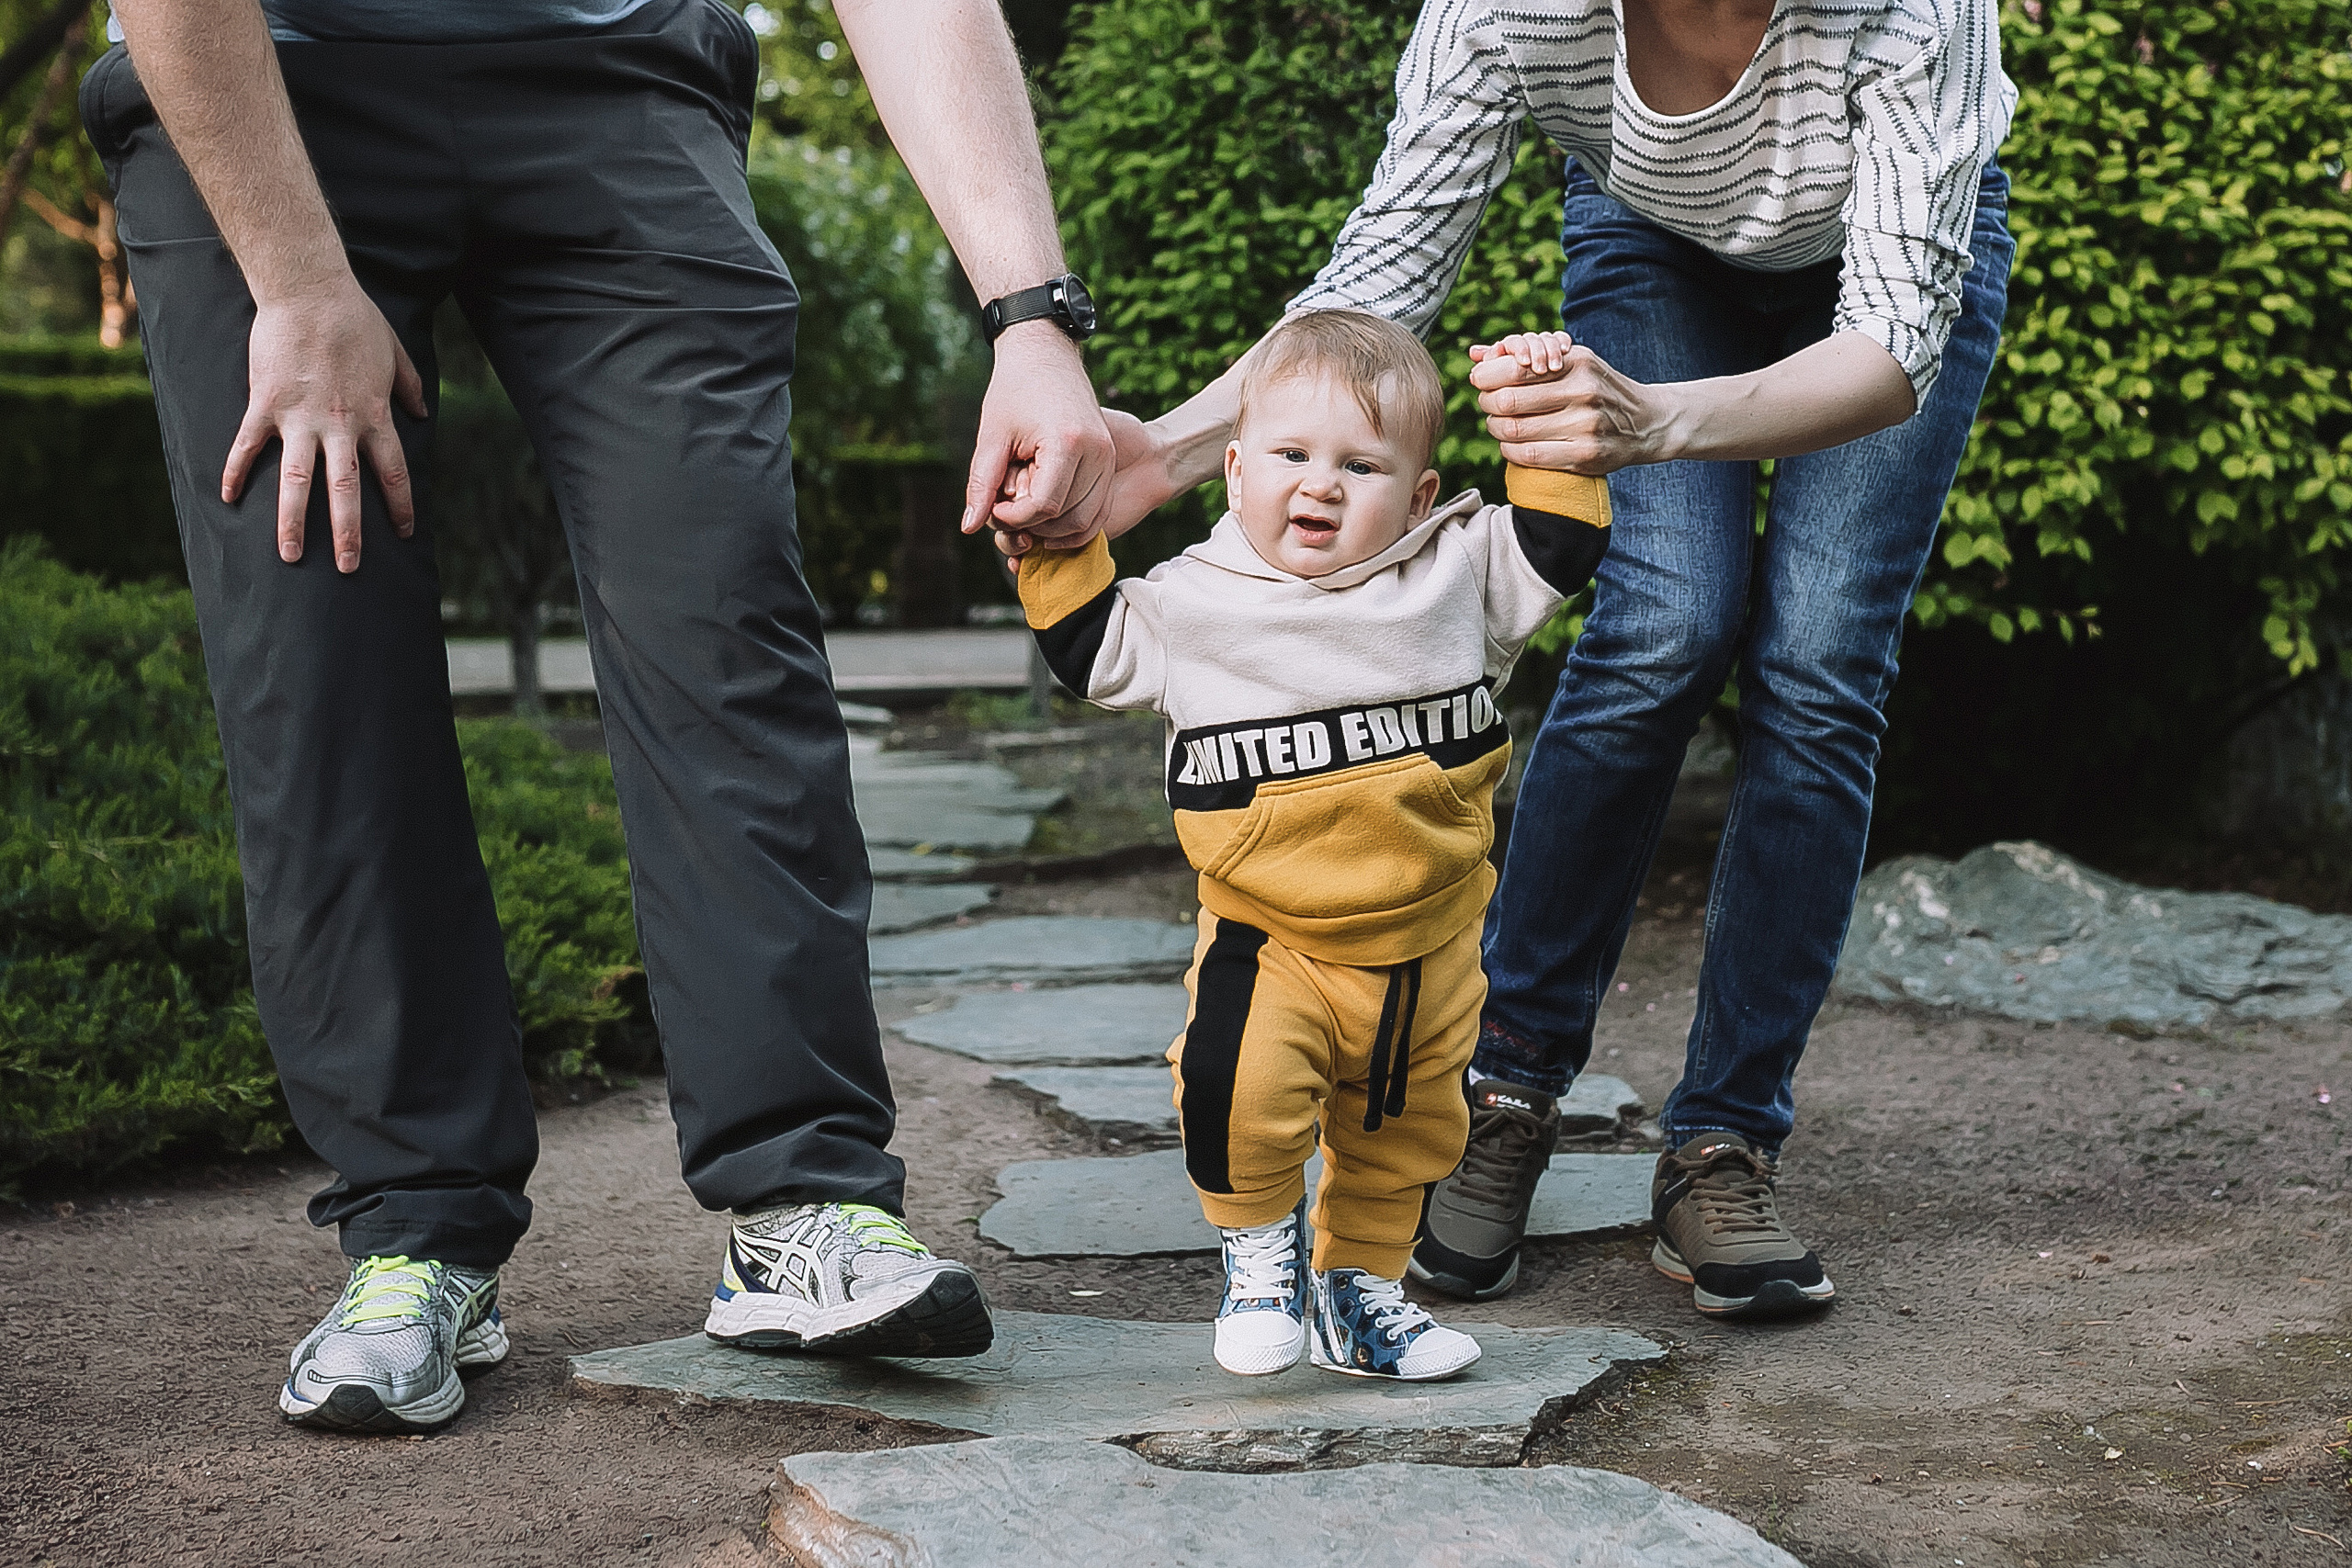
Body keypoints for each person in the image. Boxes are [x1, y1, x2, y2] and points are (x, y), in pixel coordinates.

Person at [86, 0, 1114, 1434]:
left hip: (618, 80)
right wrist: (298, 283)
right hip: (264, 93)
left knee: (724, 632)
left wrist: (1031, 316)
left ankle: (803, 1199)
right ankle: (414, 1230)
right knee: (316, 673)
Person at [1079, 0, 2016, 1320]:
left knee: (1817, 662)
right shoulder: (1512, 7)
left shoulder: (1912, 13)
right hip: (1650, 244)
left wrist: (1652, 419)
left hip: (1885, 296)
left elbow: (1890, 341)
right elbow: (1384, 268)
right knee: (1661, 626)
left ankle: (1723, 1139)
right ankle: (1506, 1090)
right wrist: (1166, 454)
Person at [1014, 311, 1611, 1379]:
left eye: (1362, 464)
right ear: (1235, 470)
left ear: (1420, 495)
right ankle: (1259, 1255)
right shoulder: (1195, 601)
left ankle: (1358, 1296)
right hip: (1272, 934)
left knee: (1410, 1132)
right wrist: (1051, 539)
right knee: (1233, 1096)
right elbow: (1090, 649)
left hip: (1428, 940)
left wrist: (1541, 412)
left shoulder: (1455, 577)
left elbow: (1560, 541)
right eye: (1291, 455)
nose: (1321, 485)